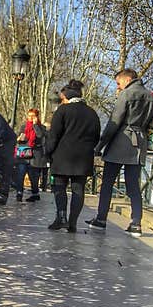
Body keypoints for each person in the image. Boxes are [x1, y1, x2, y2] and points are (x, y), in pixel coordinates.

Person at [87, 69, 153, 237]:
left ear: (127, 80)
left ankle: (101, 219)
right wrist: (151, 144)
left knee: (107, 183)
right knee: (134, 186)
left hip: (121, 142)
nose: (118, 87)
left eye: (118, 83)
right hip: (139, 145)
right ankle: (136, 224)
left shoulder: (127, 94)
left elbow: (114, 122)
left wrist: (100, 145)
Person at [44, 80, 100, 232]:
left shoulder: (62, 111)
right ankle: (73, 222)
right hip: (83, 159)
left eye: (62, 98)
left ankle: (61, 217)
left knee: (59, 188)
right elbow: (96, 137)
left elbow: (53, 136)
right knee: (78, 190)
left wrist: (47, 152)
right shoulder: (92, 113)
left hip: (62, 157)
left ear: (66, 97)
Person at [14, 108, 47, 202]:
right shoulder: (23, 126)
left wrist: (35, 125)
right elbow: (18, 137)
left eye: (33, 116)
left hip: (35, 156)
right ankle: (19, 193)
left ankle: (35, 193)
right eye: (29, 116)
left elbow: (40, 136)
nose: (30, 118)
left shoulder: (41, 127)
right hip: (24, 154)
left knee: (34, 176)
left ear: (37, 117)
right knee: (20, 173)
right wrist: (20, 138)